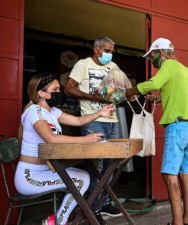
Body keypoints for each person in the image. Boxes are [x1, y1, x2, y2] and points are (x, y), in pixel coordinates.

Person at [15, 74, 114, 225]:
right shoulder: (34, 112)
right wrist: (85, 140)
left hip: (46, 171)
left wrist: (99, 113)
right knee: (80, 181)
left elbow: (78, 120)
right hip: (29, 177)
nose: (58, 92)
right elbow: (51, 138)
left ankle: (58, 220)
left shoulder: (52, 112)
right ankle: (59, 221)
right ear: (41, 93)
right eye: (55, 89)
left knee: (83, 176)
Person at [126, 38, 188, 225]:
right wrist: (158, 99)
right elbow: (185, 96)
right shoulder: (184, 70)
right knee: (184, 174)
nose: (152, 61)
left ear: (159, 53)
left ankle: (177, 222)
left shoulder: (168, 65)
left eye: (152, 57)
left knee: (169, 174)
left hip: (177, 128)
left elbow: (153, 83)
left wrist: (130, 91)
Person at [64, 36, 132, 223]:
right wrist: (94, 98)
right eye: (107, 50)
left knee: (111, 164)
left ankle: (104, 202)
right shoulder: (83, 64)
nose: (110, 54)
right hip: (92, 120)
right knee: (96, 165)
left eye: (112, 51)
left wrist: (131, 94)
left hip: (112, 120)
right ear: (97, 50)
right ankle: (92, 208)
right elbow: (69, 89)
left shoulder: (113, 67)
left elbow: (123, 90)